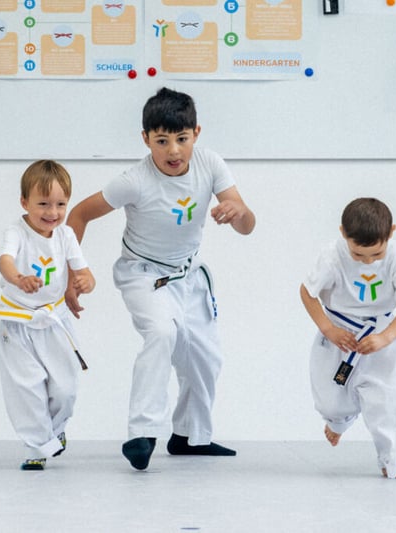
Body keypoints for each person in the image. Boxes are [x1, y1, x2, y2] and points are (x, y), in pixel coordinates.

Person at [66, 87, 255, 471]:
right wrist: (74, 271)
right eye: (162, 141)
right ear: (146, 139)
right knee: (162, 333)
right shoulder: (133, 180)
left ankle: (189, 436)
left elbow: (247, 227)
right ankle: (142, 432)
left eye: (181, 140)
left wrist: (238, 210)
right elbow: (79, 215)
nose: (173, 151)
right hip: (142, 273)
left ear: (196, 134)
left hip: (187, 275)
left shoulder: (210, 164)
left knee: (204, 357)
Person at [300, 197, 396, 479]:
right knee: (332, 399)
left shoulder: (395, 256)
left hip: (381, 338)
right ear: (343, 233)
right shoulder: (332, 256)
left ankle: (390, 459)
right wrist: (329, 329)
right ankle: (338, 421)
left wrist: (387, 337)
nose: (367, 262)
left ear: (391, 233)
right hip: (339, 336)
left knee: (389, 402)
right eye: (358, 255)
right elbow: (308, 292)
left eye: (375, 255)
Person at [0, 160, 95, 471]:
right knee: (27, 388)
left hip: (55, 322)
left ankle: (55, 432)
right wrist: (18, 279)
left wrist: (87, 281)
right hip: (18, 323)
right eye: (43, 204)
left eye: (60, 204)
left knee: (64, 389)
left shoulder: (65, 235)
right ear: (24, 202)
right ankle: (37, 447)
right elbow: (5, 261)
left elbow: (84, 271)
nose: (52, 212)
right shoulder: (17, 232)